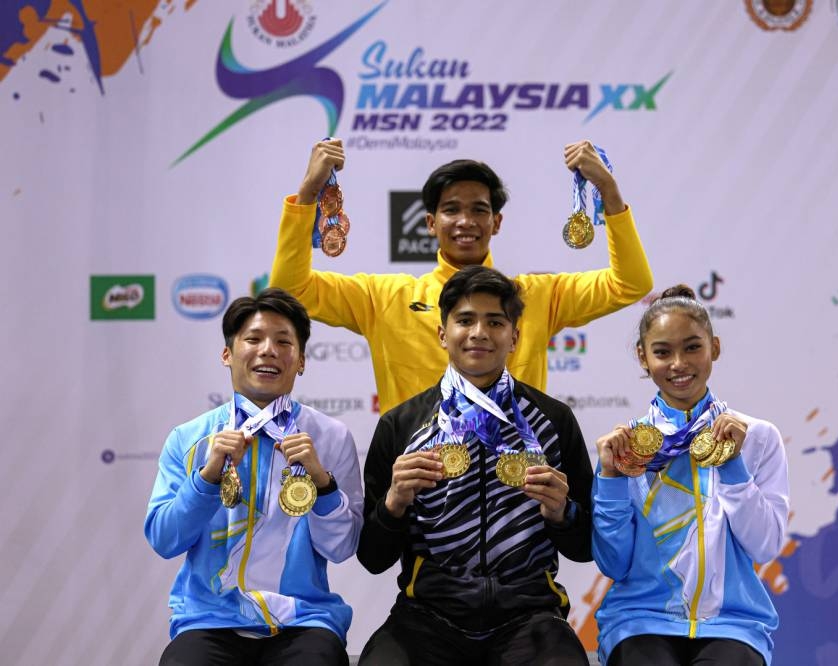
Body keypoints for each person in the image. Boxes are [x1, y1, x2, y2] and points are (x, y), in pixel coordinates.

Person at [269, 138, 653, 413]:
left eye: (479, 210)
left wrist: (608, 191)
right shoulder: (383, 297)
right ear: (431, 223)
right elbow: (292, 289)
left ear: (496, 222)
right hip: (417, 489)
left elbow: (630, 283)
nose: (466, 221)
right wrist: (308, 193)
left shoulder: (536, 295)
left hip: (515, 484)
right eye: (451, 210)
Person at [356, 265, 594, 665]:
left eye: (495, 322)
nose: (479, 332)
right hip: (426, 617)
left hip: (530, 616)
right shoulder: (401, 425)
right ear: (442, 334)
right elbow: (372, 558)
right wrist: (394, 503)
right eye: (465, 320)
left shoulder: (552, 421)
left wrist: (562, 513)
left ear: (515, 336)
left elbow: (587, 547)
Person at [144, 288, 364, 666]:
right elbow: (165, 540)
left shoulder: (330, 437)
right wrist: (207, 478)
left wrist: (322, 484)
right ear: (227, 354)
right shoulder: (190, 438)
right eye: (253, 339)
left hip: (304, 620)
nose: (268, 350)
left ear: (301, 361)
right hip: (209, 620)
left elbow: (342, 548)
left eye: (283, 341)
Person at [591, 285, 789, 666]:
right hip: (639, 621)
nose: (679, 363)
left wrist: (732, 464)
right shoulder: (625, 449)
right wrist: (612, 480)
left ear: (714, 347)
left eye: (693, 347)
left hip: (732, 622)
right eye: (663, 352)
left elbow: (764, 546)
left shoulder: (758, 437)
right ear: (643, 357)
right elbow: (614, 564)